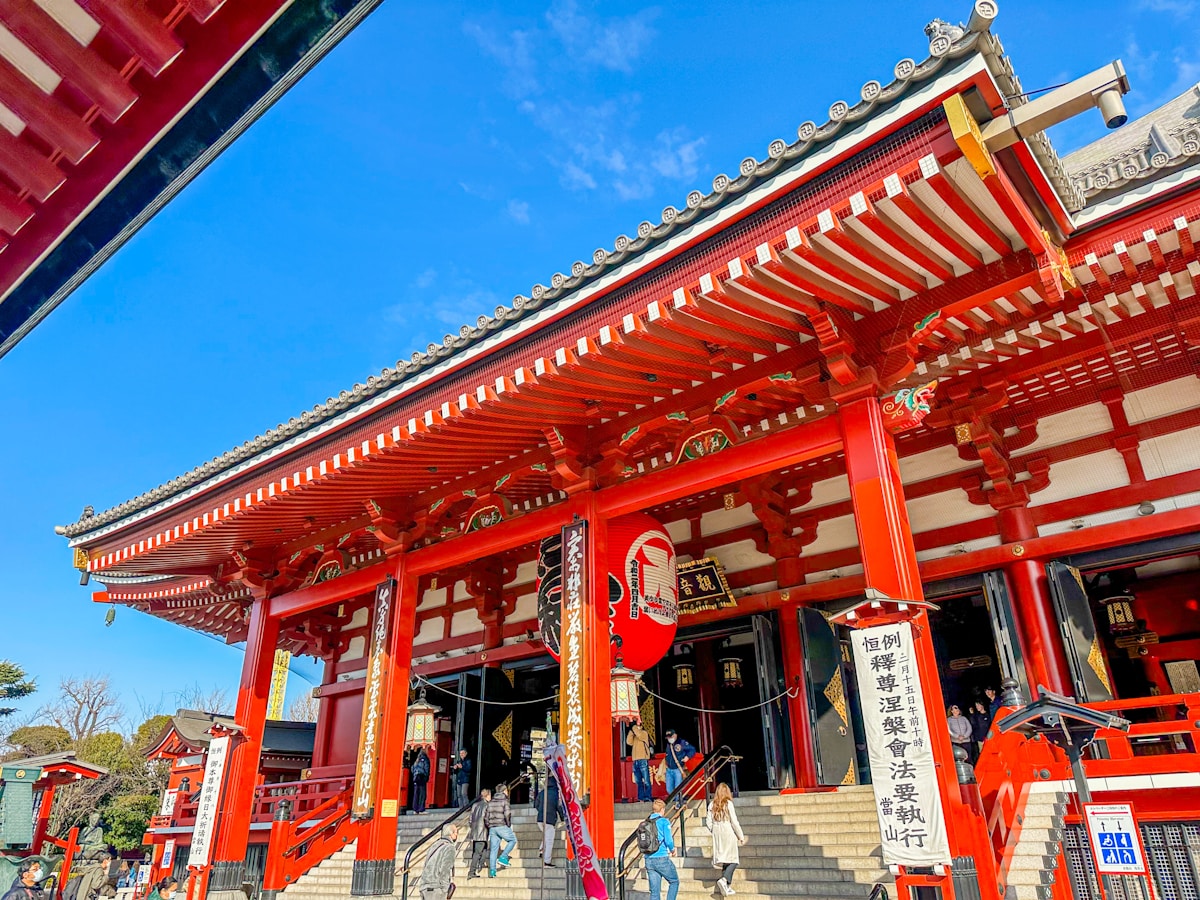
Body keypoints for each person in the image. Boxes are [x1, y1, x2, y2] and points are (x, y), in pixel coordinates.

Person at [706, 783, 746, 896]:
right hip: (727, 830)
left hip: (717, 832)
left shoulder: (711, 804)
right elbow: (734, 821)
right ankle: (724, 880)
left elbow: (708, 822)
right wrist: (740, 836)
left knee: (725, 859)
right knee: (733, 859)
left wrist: (713, 830)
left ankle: (727, 885)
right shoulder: (728, 804)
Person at [644, 798, 679, 900]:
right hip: (661, 858)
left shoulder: (646, 822)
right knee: (674, 881)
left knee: (654, 892)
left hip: (648, 859)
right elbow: (668, 841)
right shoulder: (664, 821)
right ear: (662, 809)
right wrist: (672, 850)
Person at [417, 823, 458, 900]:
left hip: (425, 886)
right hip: (437, 888)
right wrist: (445, 890)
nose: (457, 835)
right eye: (456, 832)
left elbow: (426, 863)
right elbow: (445, 870)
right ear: (451, 834)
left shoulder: (435, 845)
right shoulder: (449, 847)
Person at [485, 783, 516, 878]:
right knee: (512, 840)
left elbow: (486, 817)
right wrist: (508, 824)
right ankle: (503, 856)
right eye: (506, 790)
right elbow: (507, 814)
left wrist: (489, 825)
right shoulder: (504, 801)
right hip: (501, 825)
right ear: (503, 791)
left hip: (492, 828)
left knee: (493, 849)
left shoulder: (491, 802)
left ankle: (492, 871)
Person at [662, 730, 697, 802]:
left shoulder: (682, 742)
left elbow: (692, 749)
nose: (669, 739)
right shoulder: (669, 744)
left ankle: (678, 803)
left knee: (678, 788)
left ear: (675, 735)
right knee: (669, 789)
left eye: (670, 737)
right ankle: (678, 801)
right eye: (668, 738)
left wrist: (687, 756)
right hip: (669, 769)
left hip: (678, 769)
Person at [534, 771, 560, 867]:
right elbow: (558, 806)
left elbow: (536, 805)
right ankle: (547, 861)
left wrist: (541, 811)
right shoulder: (555, 794)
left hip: (540, 819)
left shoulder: (542, 793)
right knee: (549, 840)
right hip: (549, 819)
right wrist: (562, 817)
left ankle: (541, 849)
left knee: (546, 833)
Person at [467, 787, 491, 879]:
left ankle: (481, 864)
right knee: (478, 852)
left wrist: (472, 827)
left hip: (475, 831)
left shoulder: (475, 805)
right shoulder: (487, 806)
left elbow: (470, 819)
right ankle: (471, 871)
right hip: (483, 831)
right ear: (487, 796)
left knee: (483, 849)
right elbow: (487, 819)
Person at [627, 722, 653, 802]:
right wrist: (631, 731)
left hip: (643, 759)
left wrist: (634, 727)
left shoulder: (644, 733)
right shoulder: (635, 734)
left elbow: (639, 734)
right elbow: (628, 742)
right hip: (635, 760)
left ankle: (648, 796)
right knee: (638, 781)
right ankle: (641, 797)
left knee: (646, 780)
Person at [410, 749, 431, 814]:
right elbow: (427, 768)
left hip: (416, 778)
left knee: (416, 794)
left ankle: (415, 809)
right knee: (422, 794)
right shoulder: (425, 759)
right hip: (422, 777)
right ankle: (421, 809)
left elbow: (412, 768)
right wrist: (426, 776)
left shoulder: (417, 760)